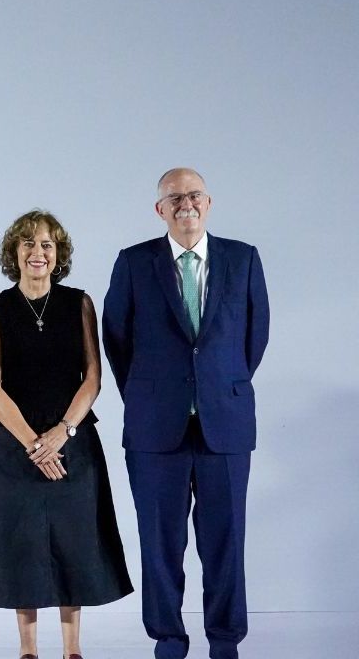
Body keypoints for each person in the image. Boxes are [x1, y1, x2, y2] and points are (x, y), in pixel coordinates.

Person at [103, 168, 269, 659]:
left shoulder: (243, 259)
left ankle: (224, 642)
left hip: (226, 423)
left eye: (194, 195)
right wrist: (152, 393)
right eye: (174, 198)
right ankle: (169, 641)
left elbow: (253, 338)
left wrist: (221, 384)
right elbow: (117, 338)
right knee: (159, 545)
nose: (185, 205)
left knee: (225, 542)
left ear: (209, 202)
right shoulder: (134, 263)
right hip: (156, 429)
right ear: (160, 209)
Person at [0, 211, 133, 659]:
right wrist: (34, 445)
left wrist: (63, 431)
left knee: (74, 542)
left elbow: (93, 376)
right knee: (22, 544)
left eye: (47, 245)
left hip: (73, 440)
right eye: (28, 244)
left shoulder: (79, 302)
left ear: (58, 255)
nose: (38, 252)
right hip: (14, 445)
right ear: (13, 253)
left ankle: (73, 649)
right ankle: (28, 649)